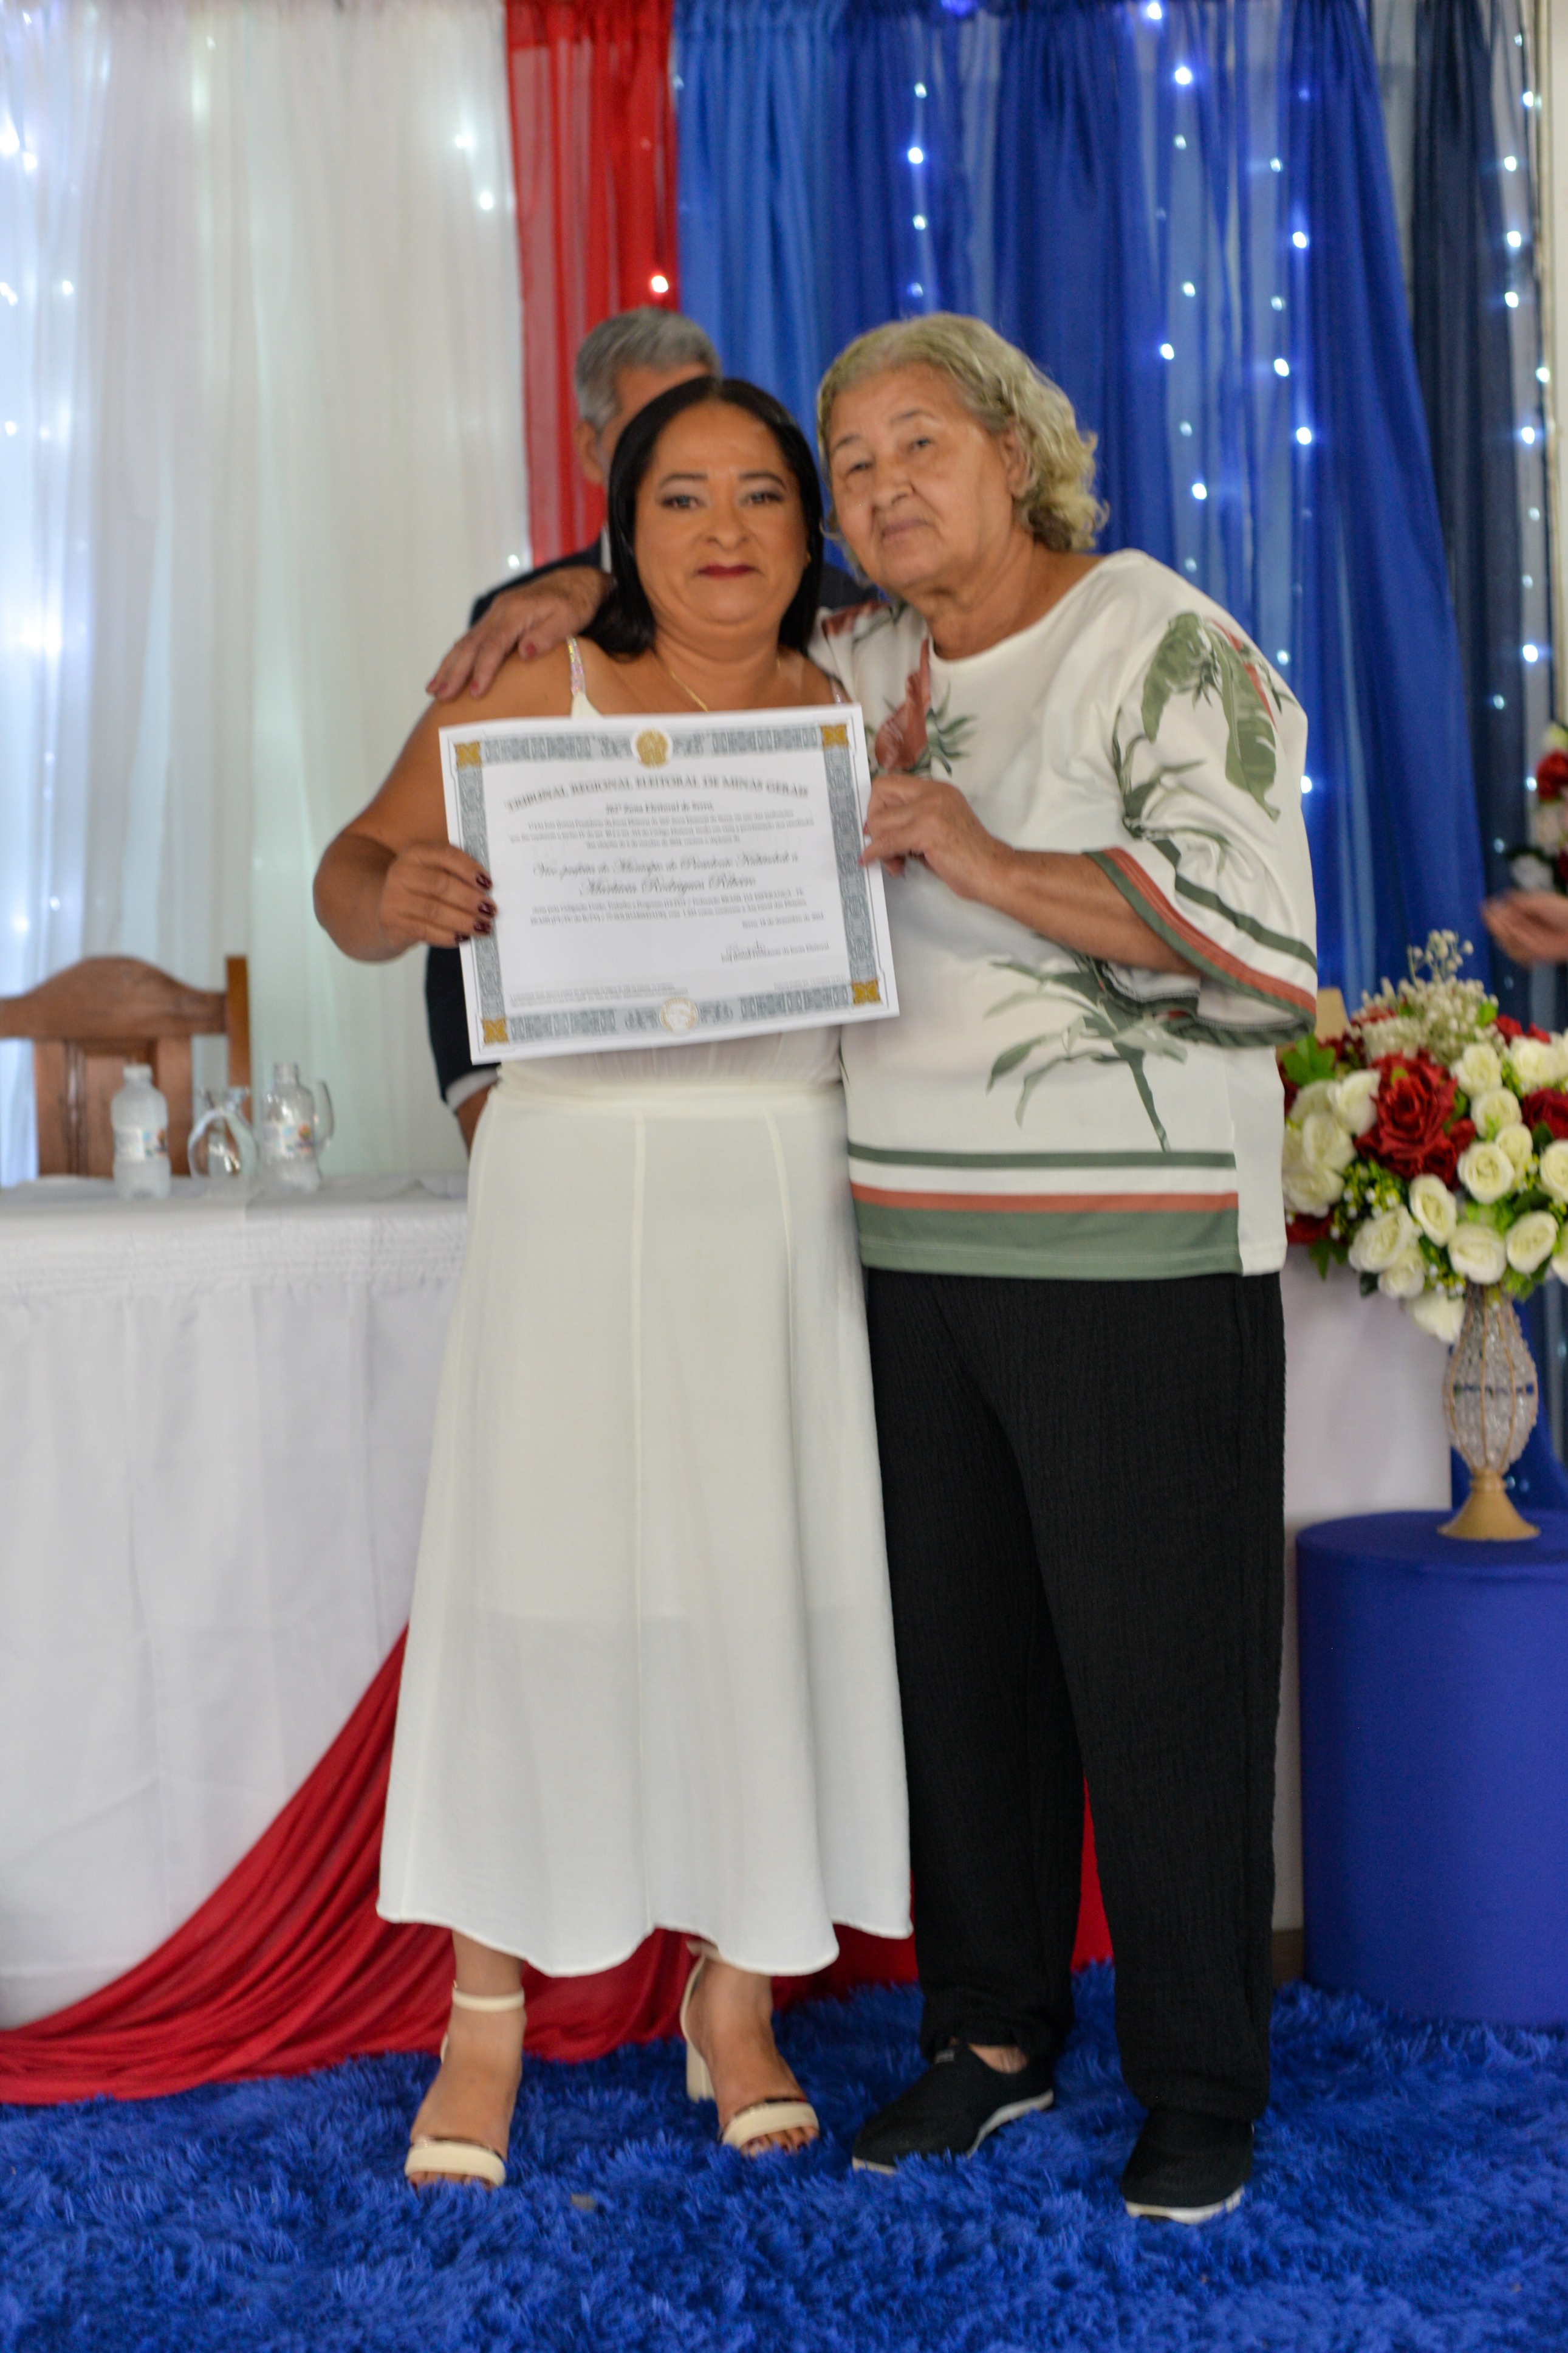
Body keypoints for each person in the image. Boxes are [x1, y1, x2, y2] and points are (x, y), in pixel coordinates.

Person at [431, 314, 1317, 2225]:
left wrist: (981, 856)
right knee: (966, 1686)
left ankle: (1195, 2083)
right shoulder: (860, 659)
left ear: (1017, 450)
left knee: (1159, 1682)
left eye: (919, 443)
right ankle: (989, 2039)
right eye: (851, 463)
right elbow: (692, 604)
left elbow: (1262, 950)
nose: (880, 487)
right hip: (901, 1243)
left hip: (1135, 1240)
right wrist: (555, 593)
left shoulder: (1156, 633)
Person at [313, 376, 910, 2188]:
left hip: (785, 1183)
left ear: (810, 530)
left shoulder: (866, 696)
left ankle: (735, 1993)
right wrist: (396, 895)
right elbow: (345, 876)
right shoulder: (531, 685)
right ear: (618, 533)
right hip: (567, 1180)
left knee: (764, 1583)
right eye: (680, 498)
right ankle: (483, 2008)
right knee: (539, 1580)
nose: (722, 529)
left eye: (760, 494)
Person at [428, 307, 867, 1149]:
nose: (723, 523)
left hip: (794, 1107)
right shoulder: (523, 628)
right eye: (660, 447)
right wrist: (477, 1086)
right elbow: (452, 881)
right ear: (599, 453)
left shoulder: (851, 626)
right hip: (571, 1117)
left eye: (755, 489)